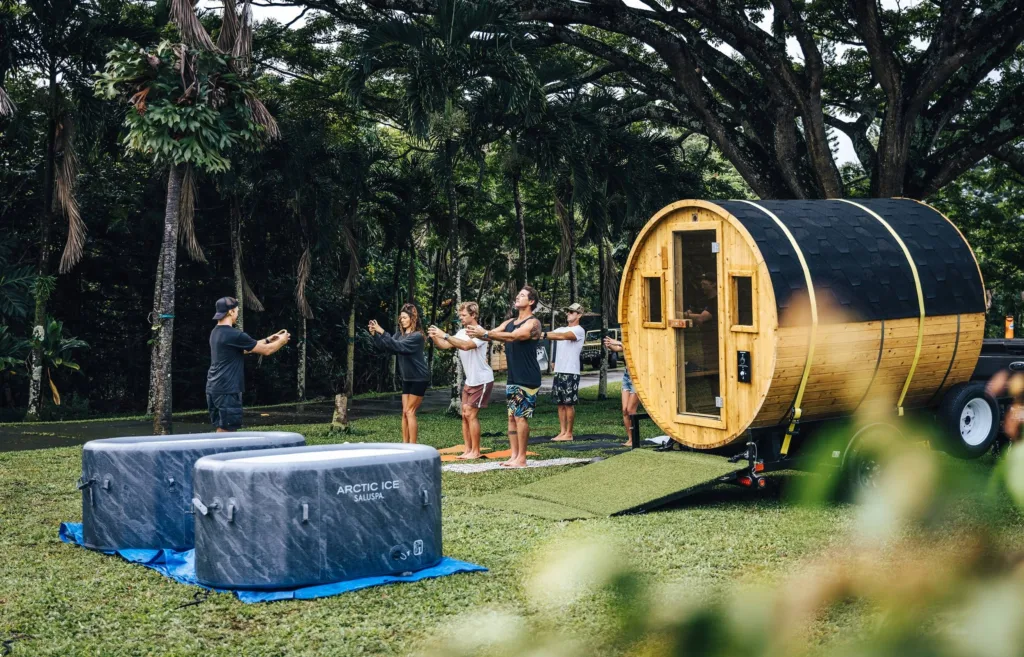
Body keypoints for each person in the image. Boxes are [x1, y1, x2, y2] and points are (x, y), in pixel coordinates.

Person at [468, 286, 543, 468]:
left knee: (520, 417)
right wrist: (478, 331)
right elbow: (493, 334)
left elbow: (512, 337)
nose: (518, 297)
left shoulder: (533, 323)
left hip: (527, 376)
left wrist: (485, 333)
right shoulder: (510, 321)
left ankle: (522, 459)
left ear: (531, 302)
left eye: (522, 295)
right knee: (511, 417)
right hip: (513, 376)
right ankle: (514, 455)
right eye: (518, 295)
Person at [206, 297, 290, 432]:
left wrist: (268, 339)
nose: (238, 313)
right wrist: (282, 341)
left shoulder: (216, 332)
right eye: (237, 311)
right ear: (231, 312)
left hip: (214, 388)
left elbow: (244, 348)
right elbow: (267, 351)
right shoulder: (234, 334)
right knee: (228, 430)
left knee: (222, 427)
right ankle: (226, 453)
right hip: (228, 389)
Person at [427, 302, 494, 459]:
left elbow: (465, 346)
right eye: (460, 315)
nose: (461, 318)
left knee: (471, 414)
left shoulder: (480, 333)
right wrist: (435, 337)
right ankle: (468, 449)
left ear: (474, 315)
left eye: (464, 315)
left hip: (483, 379)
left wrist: (444, 334)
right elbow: (444, 345)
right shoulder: (462, 331)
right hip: (470, 381)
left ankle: (476, 452)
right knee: (464, 414)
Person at [369, 303, 429, 444]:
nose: (402, 320)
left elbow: (399, 347)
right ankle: (405, 444)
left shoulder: (417, 336)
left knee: (410, 411)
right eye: (401, 318)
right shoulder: (400, 334)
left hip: (419, 377)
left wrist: (382, 331)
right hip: (407, 378)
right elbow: (388, 346)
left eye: (405, 317)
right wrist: (375, 335)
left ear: (412, 318)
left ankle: (414, 447)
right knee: (404, 412)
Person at [542, 302, 587, 441]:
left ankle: (569, 433)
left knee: (568, 403)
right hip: (560, 371)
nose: (568, 314)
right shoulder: (560, 328)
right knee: (560, 403)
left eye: (572, 312)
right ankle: (562, 432)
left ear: (579, 315)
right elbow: (552, 336)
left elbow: (563, 336)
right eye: (568, 312)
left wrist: (543, 334)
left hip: (571, 371)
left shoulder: (579, 330)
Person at [604, 336, 640, 446]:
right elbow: (619, 349)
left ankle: (634, 439)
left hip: (637, 377)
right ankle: (630, 439)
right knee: (624, 410)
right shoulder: (626, 342)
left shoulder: (638, 341)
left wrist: (617, 342)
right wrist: (610, 345)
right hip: (627, 376)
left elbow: (630, 348)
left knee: (631, 410)